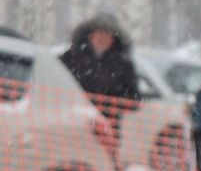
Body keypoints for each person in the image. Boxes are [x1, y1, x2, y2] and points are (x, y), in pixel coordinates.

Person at [60, 13, 142, 155]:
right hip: (74, 124)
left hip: (107, 130)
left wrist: (112, 104)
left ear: (113, 39)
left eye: (107, 33)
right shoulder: (71, 57)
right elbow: (55, 82)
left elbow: (135, 98)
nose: (102, 37)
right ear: (90, 35)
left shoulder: (123, 64)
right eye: (99, 32)